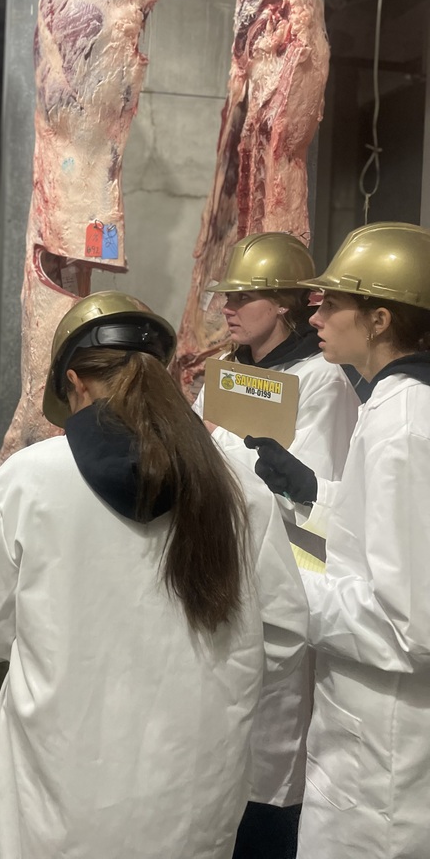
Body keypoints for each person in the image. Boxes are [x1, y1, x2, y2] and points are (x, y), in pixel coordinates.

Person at [0, 291, 308, 859]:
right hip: (193, 786)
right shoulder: (238, 487)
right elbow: (287, 634)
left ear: (74, 382)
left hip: (63, 781)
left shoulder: (23, 483)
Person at [246, 222, 430, 859]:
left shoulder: (404, 424)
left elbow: (412, 627)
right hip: (362, 728)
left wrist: (279, 586)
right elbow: (379, 534)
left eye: (334, 303)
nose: (315, 313)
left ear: (379, 319)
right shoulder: (393, 403)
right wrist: (314, 490)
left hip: (384, 753)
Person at [193, 232, 360, 859]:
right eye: (228, 296)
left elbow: (307, 485)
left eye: (245, 296)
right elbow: (198, 449)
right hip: (221, 555)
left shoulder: (322, 379)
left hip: (287, 566)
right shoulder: (230, 370)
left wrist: (230, 454)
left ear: (285, 305)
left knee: (275, 735)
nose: (229, 307)